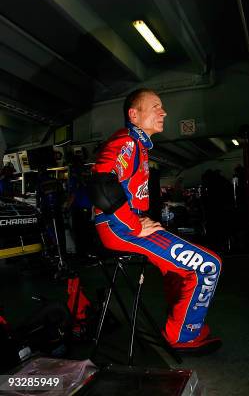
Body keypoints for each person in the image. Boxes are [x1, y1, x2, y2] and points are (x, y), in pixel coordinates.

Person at [90, 88, 222, 354]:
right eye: (156, 107)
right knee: (209, 265)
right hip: (120, 230)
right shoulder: (127, 141)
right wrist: (135, 224)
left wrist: (139, 219)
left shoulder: (137, 144)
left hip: (123, 226)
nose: (164, 112)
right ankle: (182, 336)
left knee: (178, 268)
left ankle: (184, 324)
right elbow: (101, 183)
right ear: (134, 114)